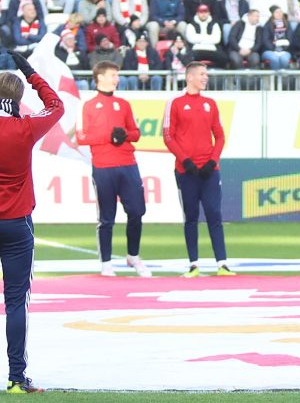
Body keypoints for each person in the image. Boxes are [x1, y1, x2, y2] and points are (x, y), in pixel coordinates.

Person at [0, 50, 64, 393]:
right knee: (15, 301)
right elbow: (56, 106)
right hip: (16, 223)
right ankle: (15, 377)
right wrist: (31, 72)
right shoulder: (25, 127)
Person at [76, 62, 152, 277]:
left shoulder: (124, 104)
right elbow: (82, 137)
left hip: (128, 164)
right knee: (107, 218)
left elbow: (136, 133)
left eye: (117, 75)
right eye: (112, 75)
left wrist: (124, 135)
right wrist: (108, 136)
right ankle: (106, 262)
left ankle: (133, 256)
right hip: (103, 167)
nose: (116, 79)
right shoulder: (88, 106)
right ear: (100, 77)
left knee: (137, 212)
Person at [162, 62, 233, 277]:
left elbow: (219, 135)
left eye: (206, 74)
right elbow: (168, 136)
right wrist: (186, 162)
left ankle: (222, 263)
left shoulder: (210, 103)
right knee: (191, 216)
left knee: (214, 214)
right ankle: (193, 264)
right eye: (202, 74)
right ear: (190, 76)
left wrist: (212, 161)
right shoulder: (175, 102)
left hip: (210, 171)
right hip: (186, 171)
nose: (205, 78)